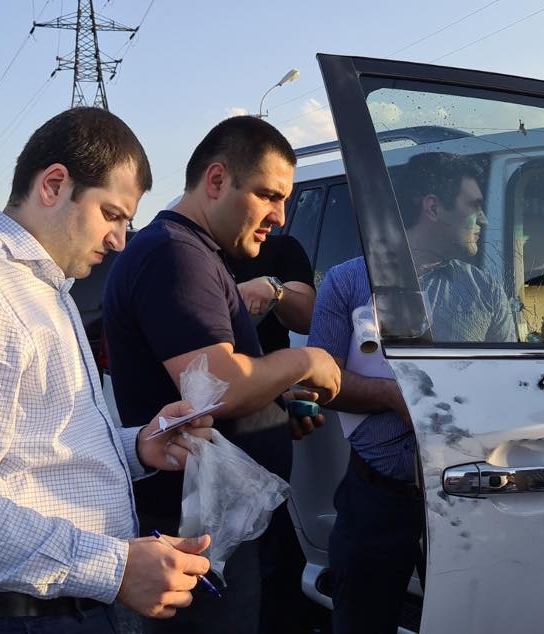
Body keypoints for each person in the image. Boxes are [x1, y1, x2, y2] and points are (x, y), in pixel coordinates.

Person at [0, 107, 215, 634]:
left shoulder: (36, 286)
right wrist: (114, 568)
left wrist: (135, 447)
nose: (120, 240)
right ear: (54, 184)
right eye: (112, 214)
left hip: (44, 611)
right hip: (4, 619)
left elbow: (31, 454)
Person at [103, 115, 342, 634]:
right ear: (216, 180)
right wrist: (307, 361)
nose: (280, 216)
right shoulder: (175, 254)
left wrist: (275, 405)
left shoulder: (193, 252)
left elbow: (207, 389)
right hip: (195, 529)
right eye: (268, 195)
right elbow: (218, 386)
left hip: (216, 522)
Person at [308, 152, 516, 634]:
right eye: (474, 205)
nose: (484, 220)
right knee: (363, 622)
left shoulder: (484, 291)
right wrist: (392, 397)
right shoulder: (348, 282)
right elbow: (319, 380)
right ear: (432, 207)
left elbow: (508, 386)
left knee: (469, 620)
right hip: (376, 497)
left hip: (466, 495)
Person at [227, 234, 320, 634]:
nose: (277, 214)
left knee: (273, 557)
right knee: (224, 565)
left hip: (268, 426)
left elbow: (307, 316)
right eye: (269, 202)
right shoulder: (187, 253)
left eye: (281, 203)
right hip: (208, 437)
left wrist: (274, 290)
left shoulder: (280, 248)